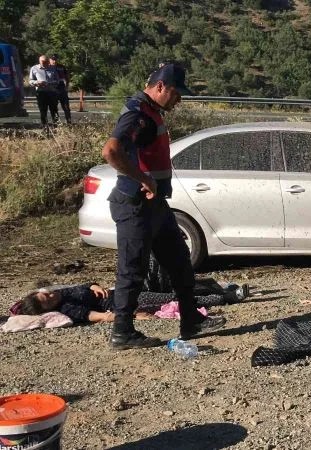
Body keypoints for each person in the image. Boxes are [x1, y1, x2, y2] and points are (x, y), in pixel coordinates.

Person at [102, 62, 224, 350]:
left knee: (180, 262)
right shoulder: (136, 113)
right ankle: (122, 332)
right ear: (160, 86)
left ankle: (191, 319)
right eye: (176, 93)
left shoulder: (151, 111)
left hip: (155, 205)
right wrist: (142, 178)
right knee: (132, 270)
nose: (179, 99)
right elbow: (111, 151)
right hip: (134, 205)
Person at [10, 283, 229, 325]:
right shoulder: (68, 309)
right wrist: (131, 316)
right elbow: (97, 316)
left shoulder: (61, 293)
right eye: (47, 301)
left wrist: (94, 285)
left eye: (46, 294)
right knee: (171, 298)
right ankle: (224, 297)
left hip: (121, 291)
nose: (50, 296)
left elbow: (84, 285)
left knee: (169, 290)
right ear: (49, 310)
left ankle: (220, 289)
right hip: (124, 303)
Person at [28, 55, 59, 127]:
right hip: (41, 93)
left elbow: (57, 81)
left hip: (52, 92)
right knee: (43, 111)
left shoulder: (53, 68)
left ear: (48, 61)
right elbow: (30, 81)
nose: (45, 64)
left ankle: (57, 127)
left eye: (46, 62)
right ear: (39, 61)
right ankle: (45, 127)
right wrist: (36, 82)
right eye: (43, 62)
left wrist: (48, 83)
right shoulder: (34, 68)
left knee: (54, 110)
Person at [48, 54, 71, 124]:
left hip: (61, 87)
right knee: (54, 107)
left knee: (66, 106)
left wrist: (66, 87)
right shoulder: (47, 67)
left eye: (55, 59)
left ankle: (69, 122)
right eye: (52, 59)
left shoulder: (61, 67)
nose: (54, 61)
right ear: (49, 60)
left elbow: (67, 77)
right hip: (52, 87)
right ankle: (56, 123)